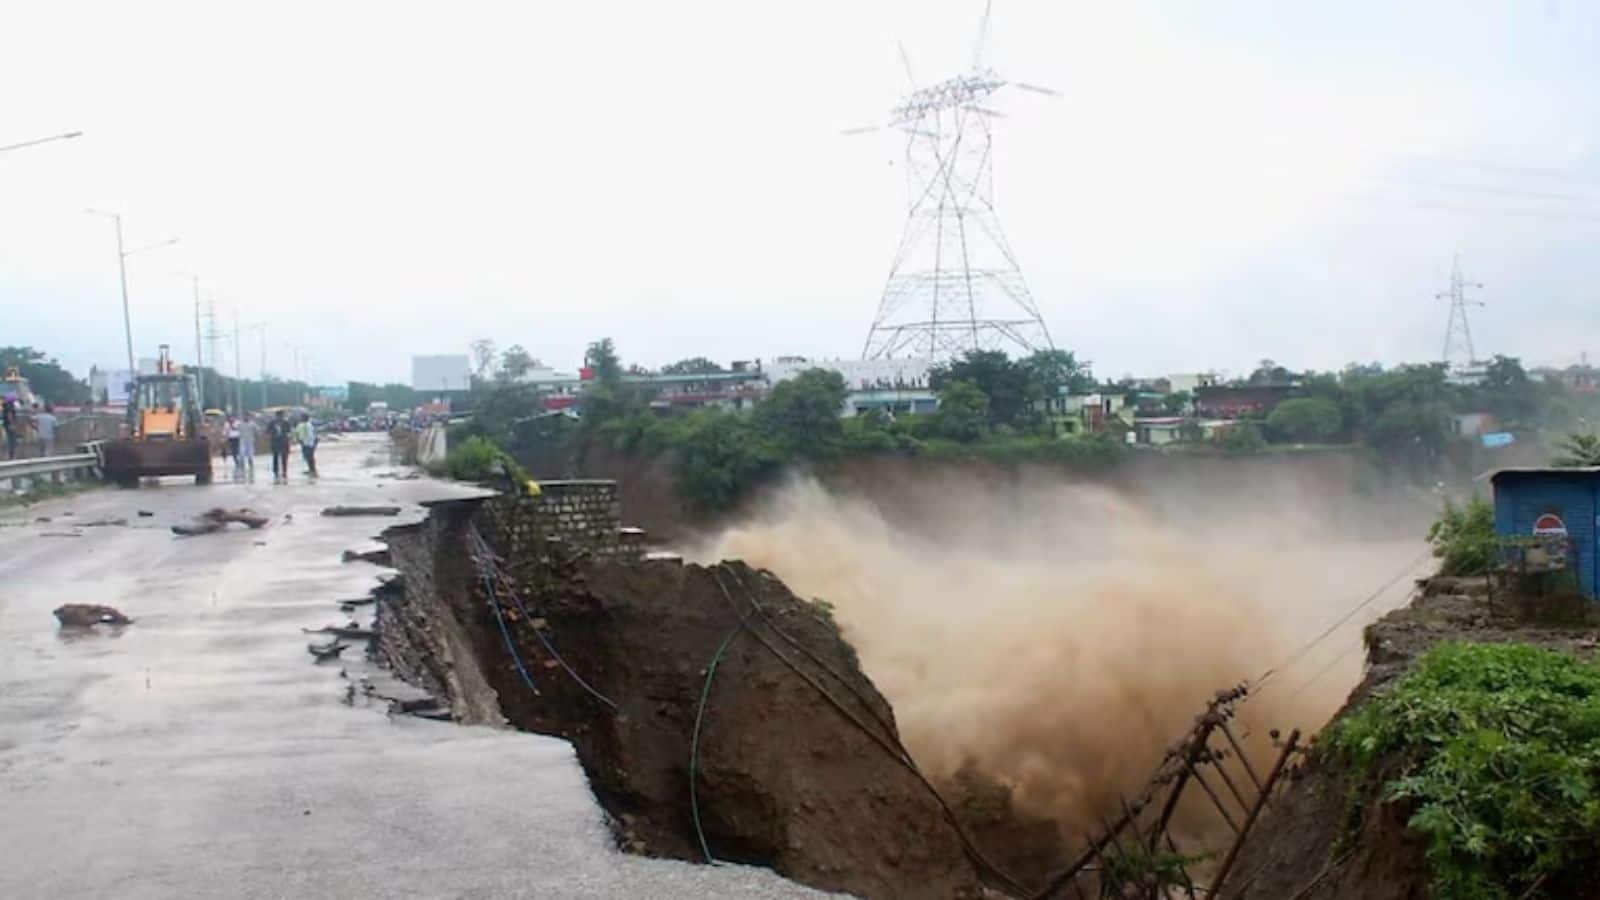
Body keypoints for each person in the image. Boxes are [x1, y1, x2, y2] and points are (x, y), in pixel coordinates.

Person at [266, 410, 293, 483]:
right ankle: (276, 473)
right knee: (275, 458)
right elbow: (267, 432)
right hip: (275, 442)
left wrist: (289, 439)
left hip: (284, 442)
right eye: (278, 416)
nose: (280, 417)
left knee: (284, 458)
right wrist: (272, 434)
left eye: (281, 416)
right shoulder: (271, 423)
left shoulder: (286, 423)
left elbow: (289, 432)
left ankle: (284, 472)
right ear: (276, 416)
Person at [293, 412, 319, 477]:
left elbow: (311, 435)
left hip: (309, 444)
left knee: (310, 457)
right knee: (307, 457)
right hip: (304, 443)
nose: (300, 418)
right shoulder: (301, 425)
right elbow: (297, 433)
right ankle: (311, 470)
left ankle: (313, 471)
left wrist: (312, 443)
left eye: (301, 417)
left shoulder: (308, 425)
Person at [236, 413, 257, 479]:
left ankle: (251, 467)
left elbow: (257, 429)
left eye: (247, 416)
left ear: (249, 417)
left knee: (250, 456)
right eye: (245, 416)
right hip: (243, 441)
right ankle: (242, 467)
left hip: (250, 441)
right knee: (241, 454)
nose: (246, 417)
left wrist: (256, 435)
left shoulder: (252, 424)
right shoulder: (240, 424)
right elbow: (236, 429)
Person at [2, 395, 17, 460]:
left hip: (6, 424)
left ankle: (10, 454)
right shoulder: (10, 406)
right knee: (12, 439)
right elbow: (10, 415)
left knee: (10, 438)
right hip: (9, 424)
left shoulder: (5, 406)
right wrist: (12, 424)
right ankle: (11, 454)